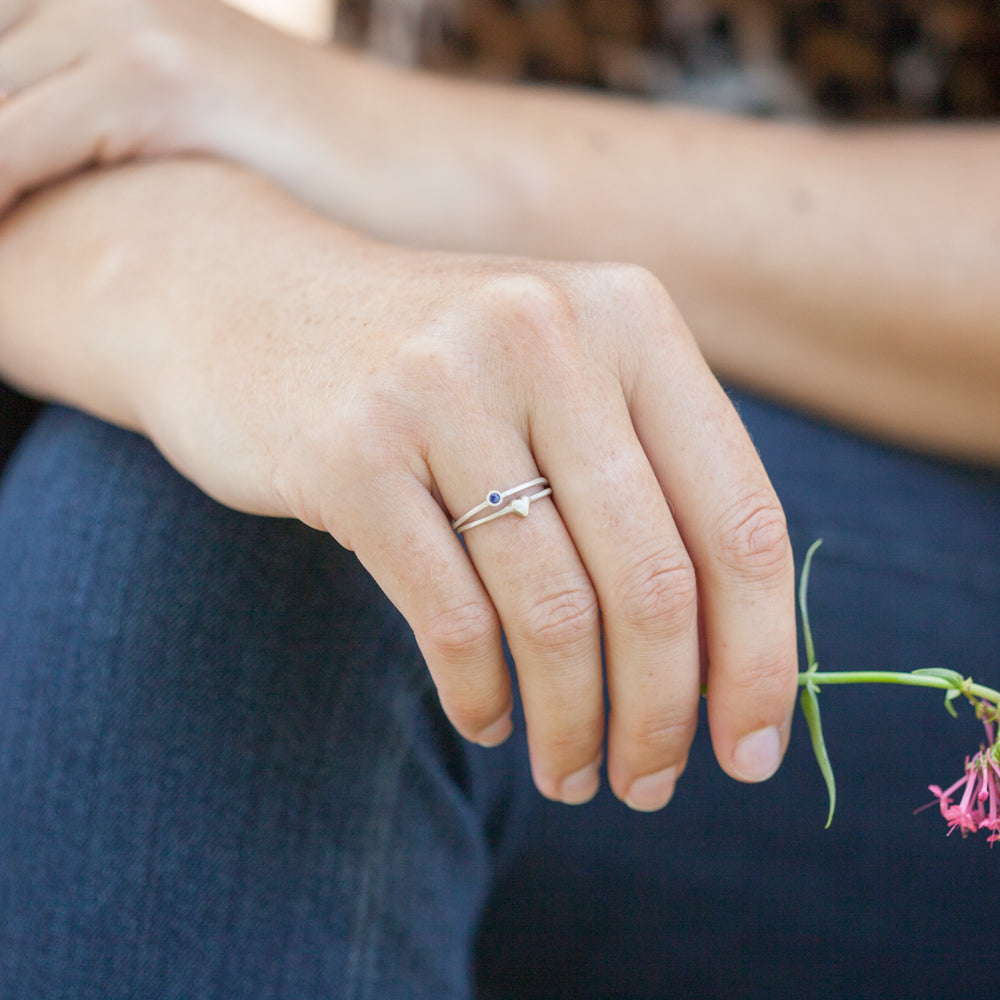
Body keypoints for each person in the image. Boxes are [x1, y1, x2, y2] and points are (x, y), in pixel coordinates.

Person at [0, 1, 996, 996]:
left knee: (335, 577)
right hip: (367, 257)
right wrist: (184, 273)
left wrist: (364, 131)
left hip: (939, 456)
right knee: (305, 504)